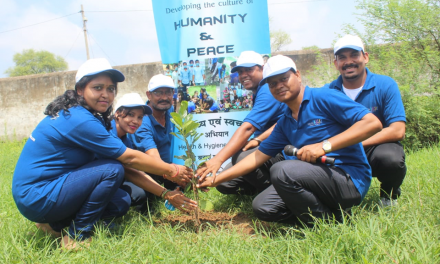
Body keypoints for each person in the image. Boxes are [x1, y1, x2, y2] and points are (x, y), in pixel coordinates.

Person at [12, 59, 197, 250]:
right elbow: (128, 160)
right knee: (112, 170)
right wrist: (173, 169)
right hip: (38, 195)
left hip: (45, 190)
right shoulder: (80, 119)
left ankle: (54, 225)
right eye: (97, 87)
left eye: (110, 89)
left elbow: (127, 168)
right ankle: (77, 236)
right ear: (80, 90)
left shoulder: (87, 116)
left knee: (120, 201)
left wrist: (165, 193)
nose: (106, 94)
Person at [198, 55, 382, 225]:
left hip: (348, 179)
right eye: (272, 83)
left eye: (284, 79)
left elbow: (372, 123)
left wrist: (324, 146)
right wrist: (216, 179)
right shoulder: (285, 120)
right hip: (312, 178)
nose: (278, 86)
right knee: (262, 206)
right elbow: (256, 158)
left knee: (282, 170)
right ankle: (330, 221)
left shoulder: (323, 97)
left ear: (298, 75)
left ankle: (325, 223)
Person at [325, 35, 407, 207]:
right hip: (341, 150)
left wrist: (357, 142)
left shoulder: (385, 85)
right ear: (336, 64)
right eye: (342, 58)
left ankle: (388, 196)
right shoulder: (328, 91)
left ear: (365, 57)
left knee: (391, 159)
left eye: (354, 55)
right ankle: (338, 197)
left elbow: (398, 130)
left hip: (373, 147)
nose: (349, 62)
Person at [196, 51, 288, 194]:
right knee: (224, 183)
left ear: (262, 69)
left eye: (249, 70)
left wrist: (218, 159)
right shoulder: (259, 90)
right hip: (266, 144)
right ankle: (263, 187)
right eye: (240, 72)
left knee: (240, 157)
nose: (243, 75)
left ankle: (278, 193)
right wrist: (258, 140)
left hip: (280, 149)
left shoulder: (268, 90)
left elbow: (248, 128)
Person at [111, 93, 193, 213]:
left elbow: (134, 172)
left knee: (141, 192)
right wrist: (171, 171)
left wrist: (166, 193)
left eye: (140, 117)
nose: (135, 121)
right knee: (125, 198)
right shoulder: (108, 134)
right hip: (93, 180)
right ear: (117, 114)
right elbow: (133, 163)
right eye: (130, 115)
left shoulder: (125, 140)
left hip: (113, 178)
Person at [128, 74, 187, 197]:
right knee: (143, 196)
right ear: (149, 95)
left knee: (189, 178)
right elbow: (154, 159)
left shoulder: (168, 110)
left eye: (168, 92)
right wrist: (175, 172)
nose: (164, 97)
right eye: (158, 93)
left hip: (166, 167)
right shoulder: (142, 122)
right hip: (148, 171)